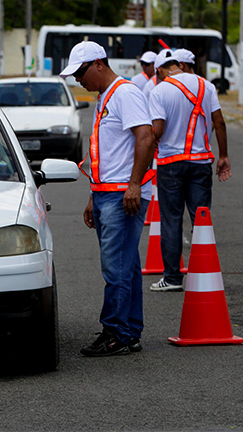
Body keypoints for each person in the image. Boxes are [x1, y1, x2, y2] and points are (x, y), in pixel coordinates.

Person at [60, 41, 155, 357]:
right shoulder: (106, 97)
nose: (78, 80)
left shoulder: (125, 93)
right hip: (107, 193)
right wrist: (92, 195)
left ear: (99, 64)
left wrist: (133, 185)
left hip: (121, 195)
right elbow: (107, 153)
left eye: (81, 72)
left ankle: (117, 332)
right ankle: (128, 331)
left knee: (115, 267)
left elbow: (146, 136)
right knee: (126, 266)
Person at [147, 48, 231, 292]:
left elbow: (158, 129)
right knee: (201, 219)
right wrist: (223, 155)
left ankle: (172, 278)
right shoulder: (206, 86)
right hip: (201, 163)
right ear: (179, 65)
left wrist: (149, 143)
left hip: (170, 164)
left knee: (172, 221)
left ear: (161, 70)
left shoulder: (159, 90)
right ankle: (204, 274)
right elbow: (220, 122)